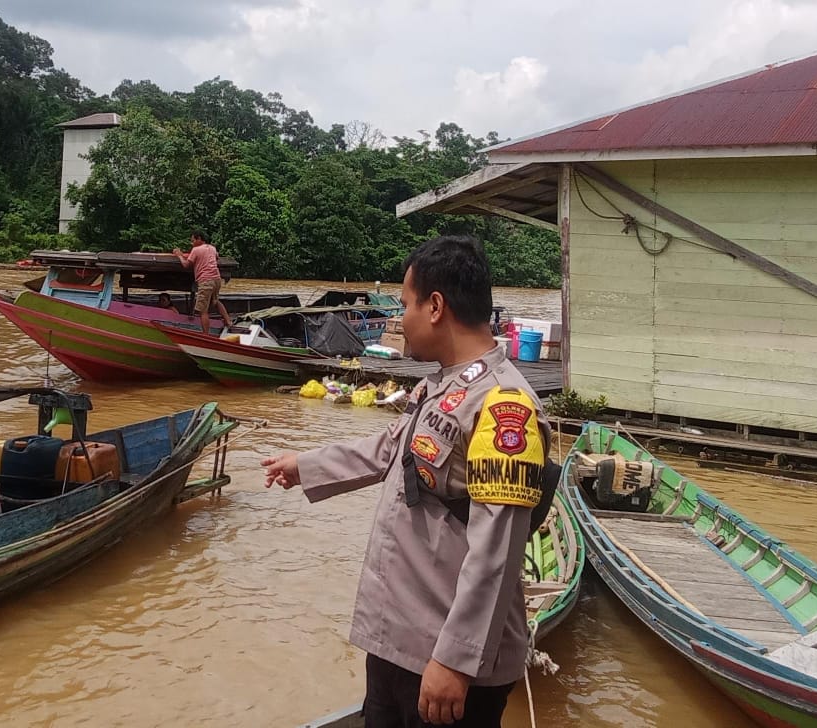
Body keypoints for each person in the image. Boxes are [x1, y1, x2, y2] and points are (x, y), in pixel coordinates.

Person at [261, 235, 550, 728]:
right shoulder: (441, 385)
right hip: (400, 640)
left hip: (447, 662)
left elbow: (496, 549)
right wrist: (303, 465)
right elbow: (388, 450)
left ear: (436, 306)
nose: (401, 319)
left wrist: (455, 660)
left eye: (405, 304)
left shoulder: (504, 407)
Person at [173, 231, 232, 334]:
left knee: (203, 310)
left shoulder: (196, 250)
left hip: (205, 281)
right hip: (216, 279)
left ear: (199, 239)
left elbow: (186, 265)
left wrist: (179, 256)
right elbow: (216, 256)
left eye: (193, 240)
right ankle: (228, 321)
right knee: (215, 301)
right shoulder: (212, 248)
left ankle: (205, 335)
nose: (192, 243)